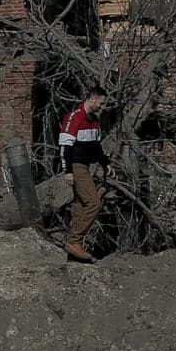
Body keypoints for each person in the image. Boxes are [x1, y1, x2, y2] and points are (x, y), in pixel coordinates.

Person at [57, 88, 110, 261]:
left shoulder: (94, 121)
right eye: (101, 103)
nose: (103, 107)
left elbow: (96, 146)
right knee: (94, 203)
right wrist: (68, 171)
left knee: (80, 206)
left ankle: (74, 251)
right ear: (92, 100)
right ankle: (74, 242)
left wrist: (106, 163)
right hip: (76, 166)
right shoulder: (74, 117)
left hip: (85, 166)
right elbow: (65, 145)